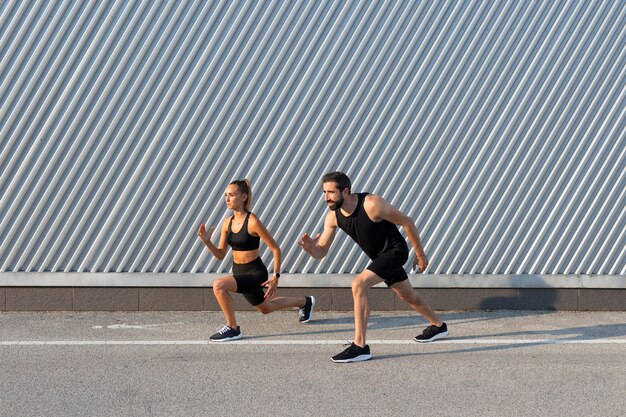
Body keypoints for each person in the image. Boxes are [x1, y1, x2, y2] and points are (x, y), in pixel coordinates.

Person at [298, 172, 448, 362]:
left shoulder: (371, 204)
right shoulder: (333, 217)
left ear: (345, 191)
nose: (325, 197)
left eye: (330, 192)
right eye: (324, 192)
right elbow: (321, 252)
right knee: (407, 295)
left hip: (396, 251)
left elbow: (407, 221)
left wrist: (420, 254)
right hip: (379, 257)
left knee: (359, 284)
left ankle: (360, 346)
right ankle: (438, 326)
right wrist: (311, 248)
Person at [198, 179, 315, 342]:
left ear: (244, 197)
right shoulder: (227, 223)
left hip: (255, 273)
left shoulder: (253, 222)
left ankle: (233, 328)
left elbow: (276, 249)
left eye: (232, 195)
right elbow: (220, 254)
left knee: (219, 285)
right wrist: (207, 242)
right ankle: (305, 302)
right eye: (226, 195)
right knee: (266, 308)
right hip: (239, 272)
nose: (227, 199)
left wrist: (276, 277)